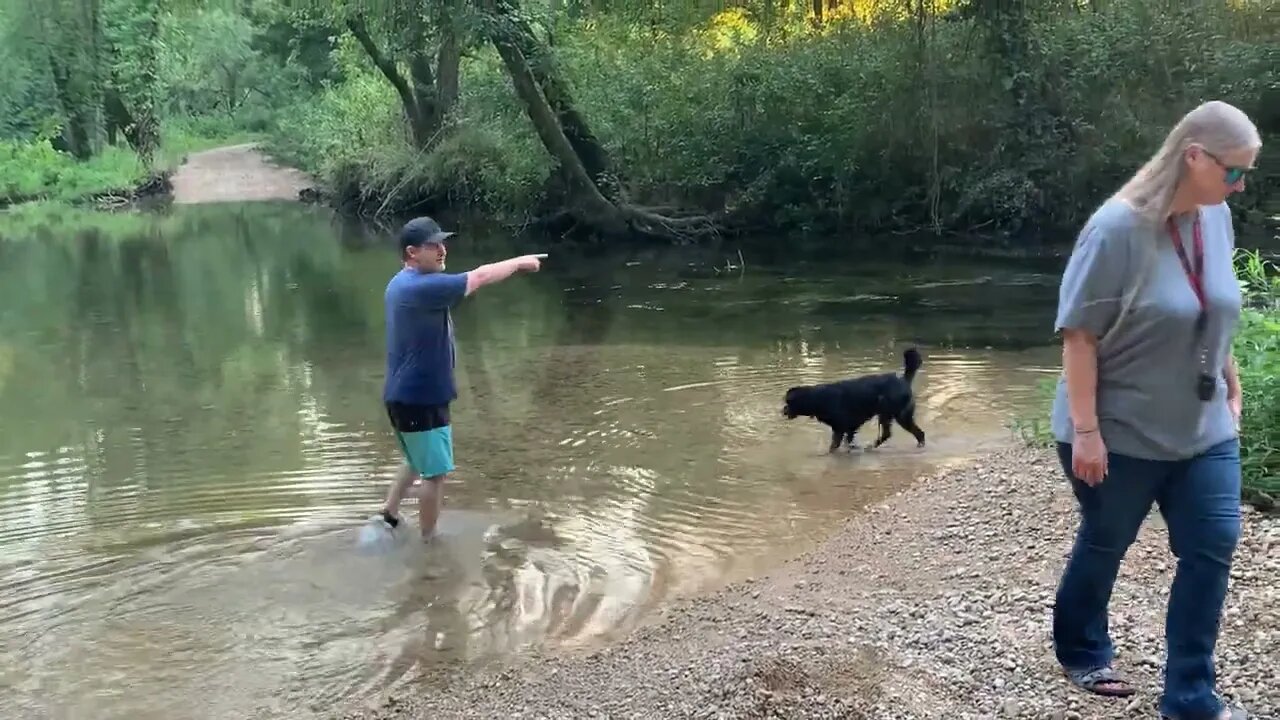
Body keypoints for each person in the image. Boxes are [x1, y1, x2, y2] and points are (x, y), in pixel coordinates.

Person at [1050, 100, 1260, 720]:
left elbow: (1213, 308)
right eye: (1233, 171)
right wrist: (1086, 432)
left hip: (1203, 428)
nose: (1240, 184)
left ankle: (1190, 697)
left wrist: (1231, 381)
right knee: (1107, 539)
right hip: (1119, 430)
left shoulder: (1215, 218)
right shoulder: (1116, 230)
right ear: (1193, 156)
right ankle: (1082, 648)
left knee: (1213, 545)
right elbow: (1079, 336)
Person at [373, 216, 543, 541]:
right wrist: (520, 262)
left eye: (442, 243)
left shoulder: (399, 283)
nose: (442, 250)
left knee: (415, 459)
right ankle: (429, 542)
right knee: (435, 474)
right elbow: (479, 276)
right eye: (432, 245)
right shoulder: (423, 287)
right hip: (420, 399)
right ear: (411, 253)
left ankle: (389, 514)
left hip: (405, 397)